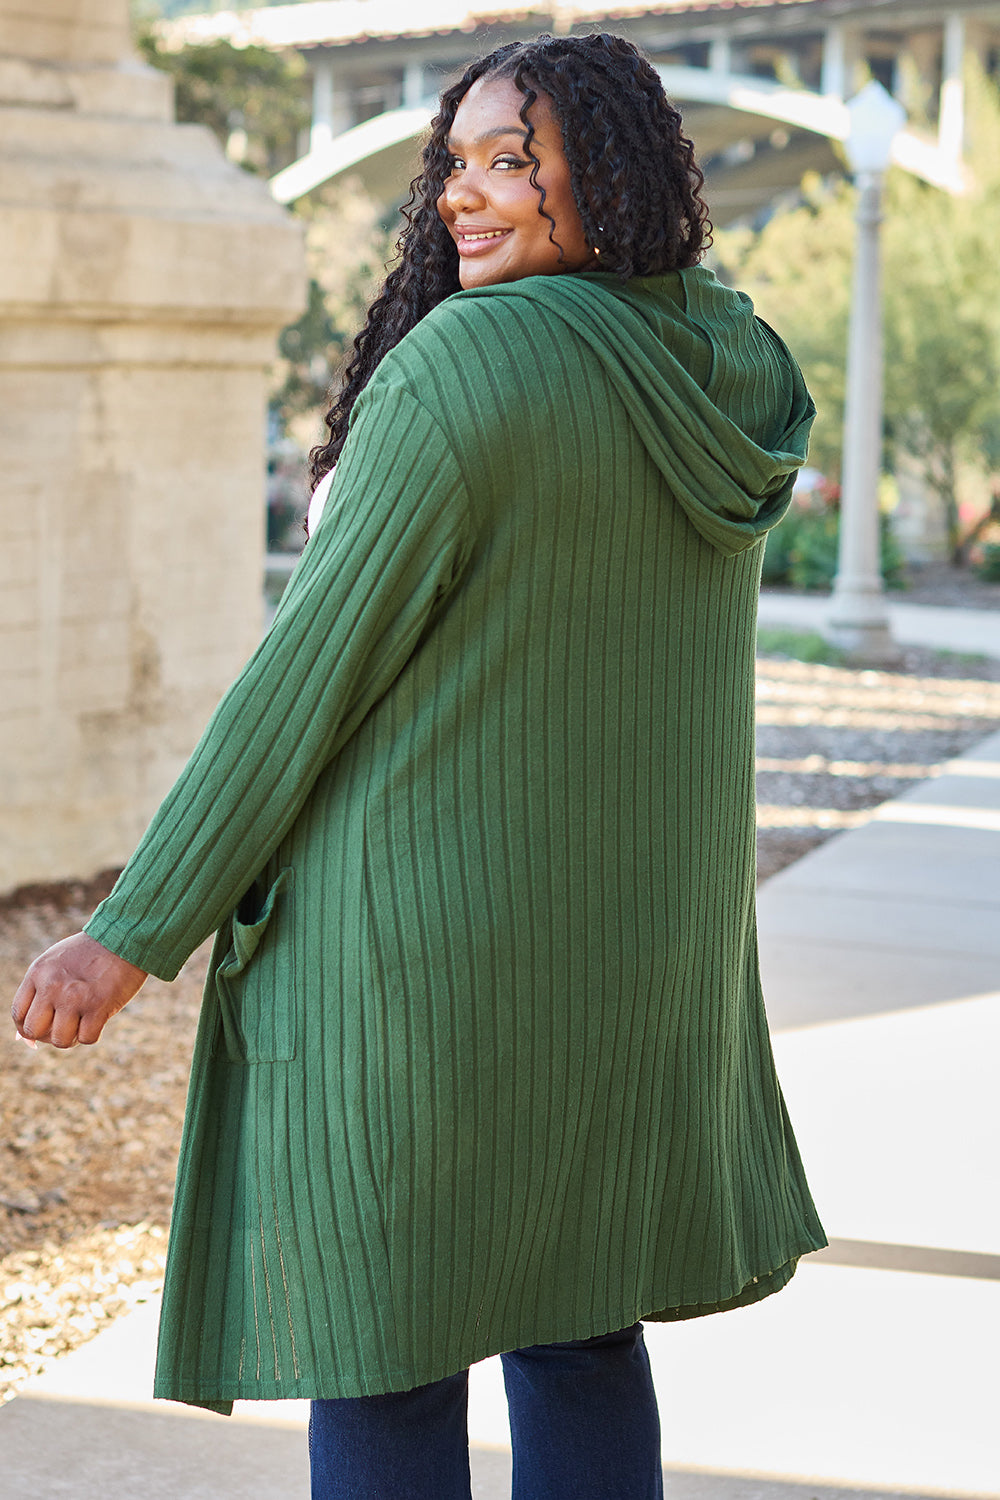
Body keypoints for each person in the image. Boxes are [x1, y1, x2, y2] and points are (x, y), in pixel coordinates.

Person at [12, 32, 825, 1500]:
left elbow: (298, 689)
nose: (467, 195)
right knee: (582, 1332)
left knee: (383, 1346)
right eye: (458, 161)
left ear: (613, 176)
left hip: (419, 960)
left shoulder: (467, 368)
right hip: (630, 963)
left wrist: (135, 931)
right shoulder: (729, 360)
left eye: (514, 162)